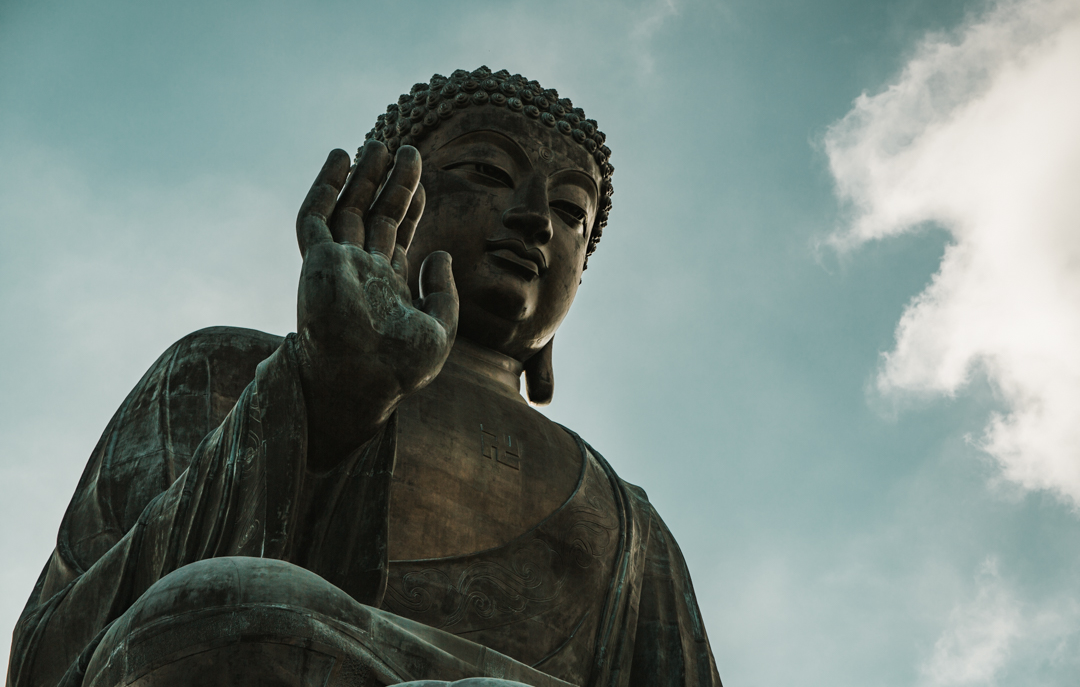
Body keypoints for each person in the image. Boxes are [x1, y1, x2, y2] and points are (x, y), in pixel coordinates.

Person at [7, 67, 721, 687]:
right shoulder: (220, 370)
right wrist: (327, 398)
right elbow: (57, 660)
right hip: (251, 647)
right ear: (386, 203)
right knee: (218, 607)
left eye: (571, 213)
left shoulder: (627, 524)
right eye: (488, 173)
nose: (536, 220)